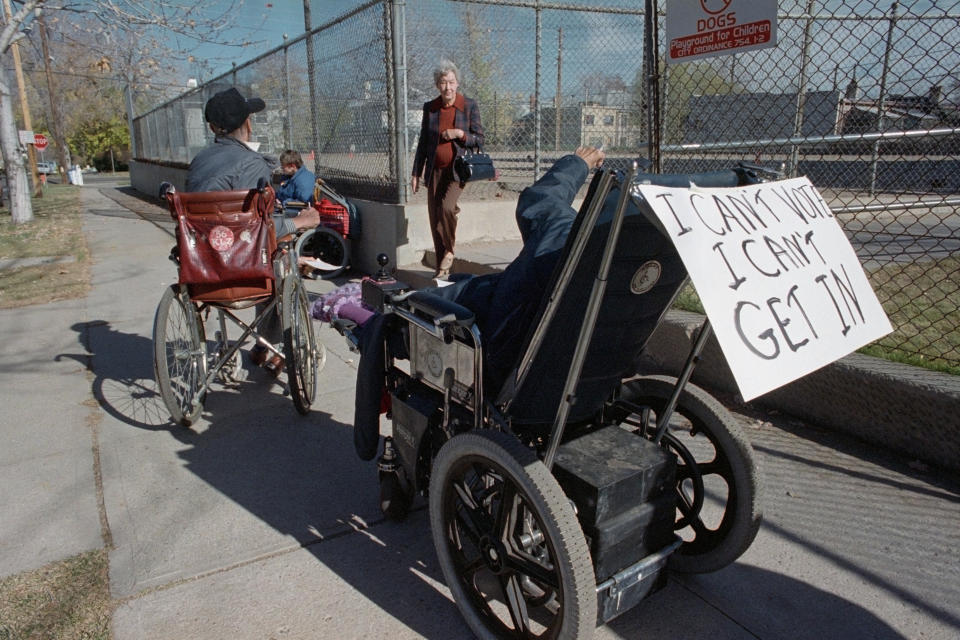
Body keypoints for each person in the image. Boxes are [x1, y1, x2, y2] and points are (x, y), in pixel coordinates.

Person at [335, 146, 605, 460]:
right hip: (581, 374)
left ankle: (367, 439)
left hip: (495, 349)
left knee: (390, 318)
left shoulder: (564, 234)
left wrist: (578, 163)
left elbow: (541, 199)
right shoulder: (627, 260)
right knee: (448, 290)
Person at [186, 87, 320, 374]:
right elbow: (262, 227)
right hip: (246, 272)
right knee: (281, 259)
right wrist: (302, 221)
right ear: (248, 123)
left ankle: (262, 345)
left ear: (212, 128)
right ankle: (270, 345)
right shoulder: (252, 164)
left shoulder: (198, 164)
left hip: (203, 273)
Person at [411, 60, 484, 279]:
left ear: (457, 83)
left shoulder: (468, 105)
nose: (448, 88)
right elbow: (424, 142)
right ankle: (441, 270)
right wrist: (416, 172)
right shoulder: (430, 108)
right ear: (437, 85)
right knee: (435, 219)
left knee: (446, 208)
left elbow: (480, 140)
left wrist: (460, 134)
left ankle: (449, 251)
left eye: (451, 82)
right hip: (434, 170)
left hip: (457, 170)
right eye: (443, 83)